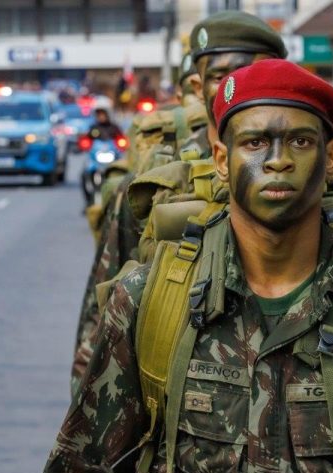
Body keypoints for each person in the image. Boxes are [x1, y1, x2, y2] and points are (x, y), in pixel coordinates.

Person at [33, 59, 333, 473]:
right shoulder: (151, 300)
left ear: (331, 159)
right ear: (221, 160)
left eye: (300, 141)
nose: (277, 159)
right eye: (254, 142)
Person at [71, 11, 287, 391]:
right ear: (197, 85)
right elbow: (102, 312)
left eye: (250, 73)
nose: (236, 88)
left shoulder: (306, 175)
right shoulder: (154, 186)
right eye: (220, 77)